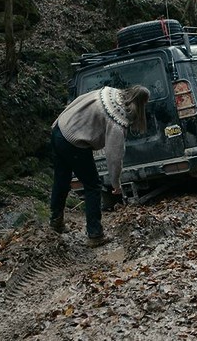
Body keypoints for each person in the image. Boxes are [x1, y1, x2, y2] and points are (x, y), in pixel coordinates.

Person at [49, 85, 150, 247]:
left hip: (59, 130)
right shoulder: (118, 118)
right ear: (140, 104)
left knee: (62, 179)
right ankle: (95, 234)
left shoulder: (108, 92)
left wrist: (56, 123)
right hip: (74, 142)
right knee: (93, 186)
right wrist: (116, 184)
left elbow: (78, 101)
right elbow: (114, 156)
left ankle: (56, 222)